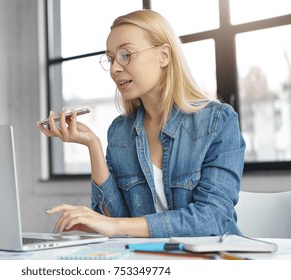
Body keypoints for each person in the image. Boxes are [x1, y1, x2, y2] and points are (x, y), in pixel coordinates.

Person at [38, 9, 245, 238]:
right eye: (111, 58)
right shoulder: (119, 131)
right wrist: (93, 145)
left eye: (126, 54)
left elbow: (212, 218)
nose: (115, 68)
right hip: (153, 259)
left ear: (164, 55)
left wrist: (115, 226)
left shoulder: (218, 121)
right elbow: (113, 221)